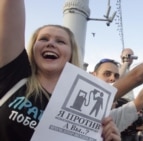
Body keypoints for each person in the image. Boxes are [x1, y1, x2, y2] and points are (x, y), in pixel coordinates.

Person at [0, 1, 121, 141]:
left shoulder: (84, 101)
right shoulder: (14, 74)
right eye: (43, 39)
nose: (50, 43)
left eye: (60, 41)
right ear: (33, 48)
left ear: (71, 53)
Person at [92, 58, 143, 133]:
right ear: (94, 75)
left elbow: (141, 100)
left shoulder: (112, 118)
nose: (112, 78)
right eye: (107, 74)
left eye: (116, 76)